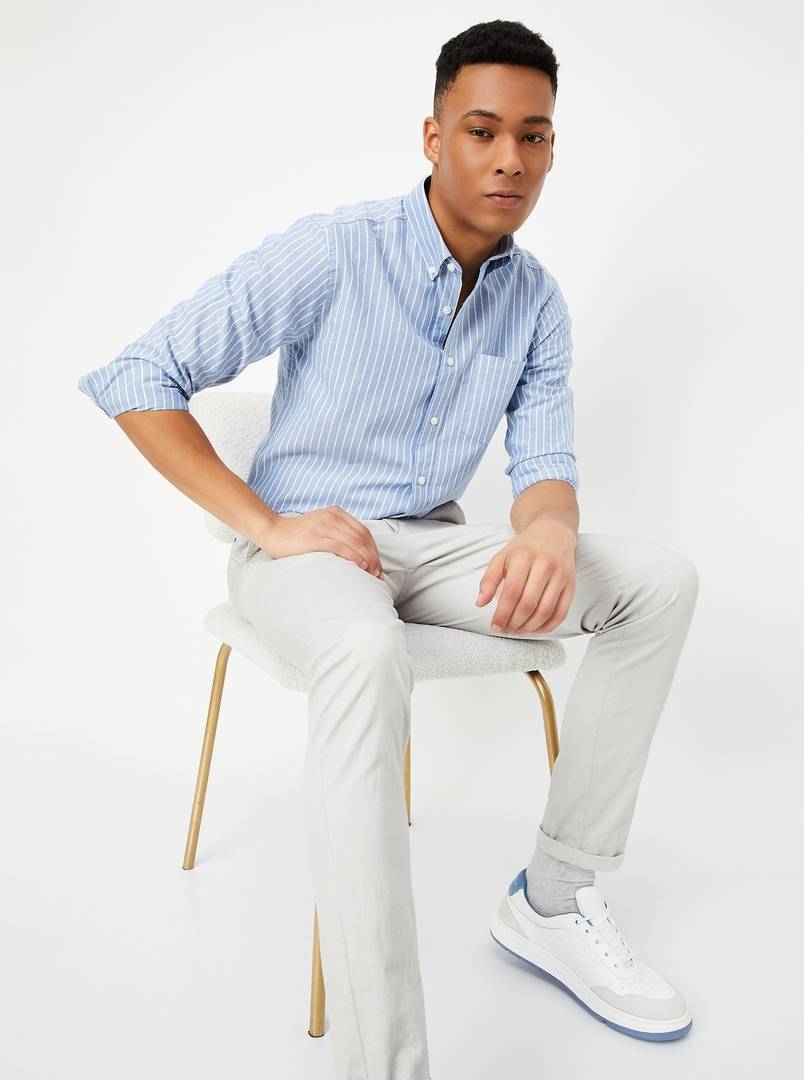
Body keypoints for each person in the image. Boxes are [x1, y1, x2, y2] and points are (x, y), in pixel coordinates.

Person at [77, 17, 700, 1080]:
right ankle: (385, 1064)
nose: (510, 160)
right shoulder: (336, 250)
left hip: (435, 549)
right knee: (365, 652)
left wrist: (549, 531)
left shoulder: (536, 301)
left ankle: (553, 900)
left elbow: (546, 462)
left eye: (535, 136)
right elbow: (138, 377)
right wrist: (267, 524)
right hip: (305, 558)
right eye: (484, 131)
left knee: (659, 585)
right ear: (433, 136)